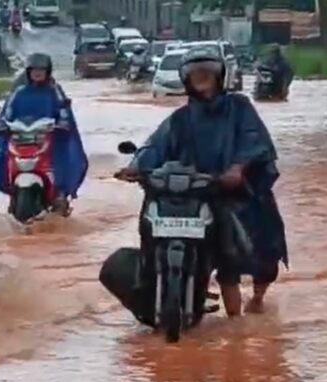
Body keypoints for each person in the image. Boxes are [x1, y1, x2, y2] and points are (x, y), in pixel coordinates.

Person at [116, 47, 288, 316]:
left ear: (219, 76)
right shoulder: (180, 119)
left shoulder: (239, 107)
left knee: (259, 252)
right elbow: (156, 145)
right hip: (194, 192)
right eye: (195, 74)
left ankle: (256, 300)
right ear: (187, 80)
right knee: (223, 264)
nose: (201, 77)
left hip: (238, 193)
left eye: (206, 72)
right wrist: (135, 167)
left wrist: (238, 168)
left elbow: (254, 138)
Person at [0, 53, 89, 210]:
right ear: (28, 72)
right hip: (21, 138)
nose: (37, 73)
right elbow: (8, 111)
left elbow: (63, 110)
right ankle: (4, 187)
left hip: (49, 137)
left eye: (41, 69)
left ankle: (60, 192)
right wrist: (1, 124)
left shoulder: (54, 91)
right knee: (3, 155)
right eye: (34, 69)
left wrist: (62, 122)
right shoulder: (19, 93)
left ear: (48, 71)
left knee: (61, 156)